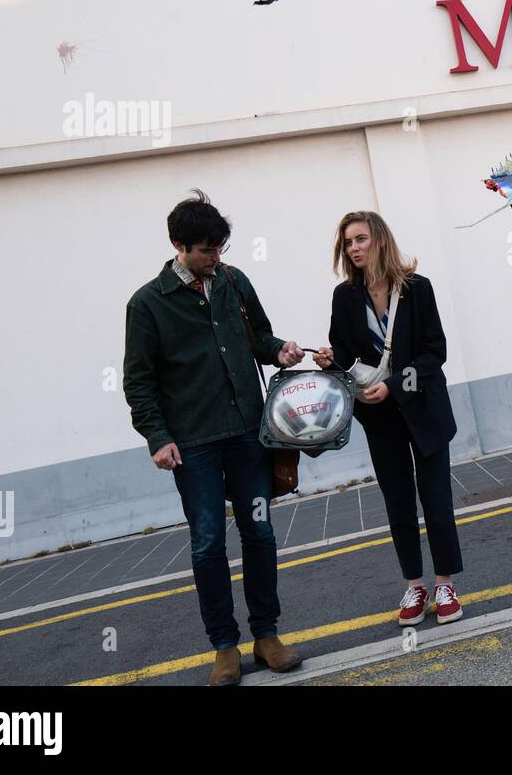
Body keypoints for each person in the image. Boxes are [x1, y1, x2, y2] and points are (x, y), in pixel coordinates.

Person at [123, 189, 305, 686]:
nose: (215, 258)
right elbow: (138, 381)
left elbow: (260, 339)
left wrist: (281, 352)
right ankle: (224, 647)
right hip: (194, 444)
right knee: (206, 543)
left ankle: (267, 636)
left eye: (220, 248)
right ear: (179, 245)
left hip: (249, 433)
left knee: (260, 532)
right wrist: (158, 438)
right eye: (206, 250)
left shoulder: (233, 280)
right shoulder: (146, 304)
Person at [311, 211, 464, 628]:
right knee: (398, 501)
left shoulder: (418, 289)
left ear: (379, 240)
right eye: (348, 243)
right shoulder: (344, 297)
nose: (354, 248)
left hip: (424, 409)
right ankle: (415, 586)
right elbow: (344, 352)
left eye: (361, 239)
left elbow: (435, 351)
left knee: (436, 499)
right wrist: (330, 361)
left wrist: (395, 386)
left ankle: (445, 584)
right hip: (378, 417)